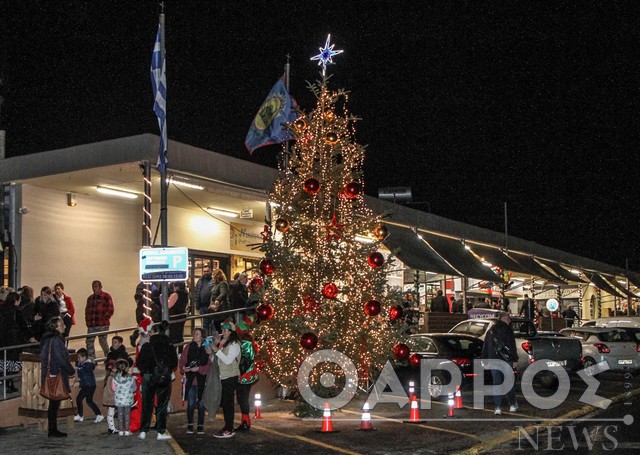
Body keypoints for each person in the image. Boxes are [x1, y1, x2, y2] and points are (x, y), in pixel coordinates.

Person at [136, 320, 178, 441]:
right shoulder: (169, 345)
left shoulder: (147, 346)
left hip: (148, 377)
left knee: (147, 404)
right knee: (162, 405)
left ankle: (143, 430)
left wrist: (147, 371)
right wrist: (166, 369)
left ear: (153, 332)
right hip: (164, 377)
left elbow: (140, 363)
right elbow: (174, 363)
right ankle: (160, 432)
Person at [40, 316, 75, 437]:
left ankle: (53, 429)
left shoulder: (47, 339)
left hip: (50, 373)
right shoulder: (56, 340)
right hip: (55, 374)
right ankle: (52, 430)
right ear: (55, 327)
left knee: (53, 404)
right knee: (54, 404)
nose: (64, 326)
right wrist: (71, 371)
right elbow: (60, 359)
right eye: (62, 325)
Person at [481, 312, 518, 415]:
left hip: (494, 360)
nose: (510, 321)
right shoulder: (508, 330)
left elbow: (486, 346)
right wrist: (515, 359)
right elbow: (512, 345)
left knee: (497, 384)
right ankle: (512, 405)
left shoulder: (491, 330)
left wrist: (484, 360)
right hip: (507, 360)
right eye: (509, 319)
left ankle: (497, 408)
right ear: (505, 318)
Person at [210, 320, 241, 438]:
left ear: (230, 332)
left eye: (224, 330)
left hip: (230, 376)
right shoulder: (227, 343)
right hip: (224, 376)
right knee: (226, 403)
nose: (222, 333)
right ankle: (228, 426)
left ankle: (229, 428)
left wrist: (217, 350)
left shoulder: (234, 344)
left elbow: (228, 360)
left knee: (228, 404)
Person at [178, 327, 211, 434]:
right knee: (191, 403)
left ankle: (200, 425)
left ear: (202, 336)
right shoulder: (188, 347)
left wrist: (199, 369)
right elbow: (182, 361)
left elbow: (209, 365)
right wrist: (183, 368)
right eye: (194, 334)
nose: (195, 336)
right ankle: (190, 424)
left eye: (197, 334)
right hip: (191, 380)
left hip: (202, 380)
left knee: (201, 403)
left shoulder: (206, 349)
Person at [235, 317, 259, 432]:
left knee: (243, 398)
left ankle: (245, 422)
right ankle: (245, 421)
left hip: (245, 376)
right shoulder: (247, 342)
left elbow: (247, 360)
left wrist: (239, 371)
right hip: (245, 375)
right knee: (242, 398)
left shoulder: (246, 343)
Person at [73, 347, 104, 423]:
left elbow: (84, 375)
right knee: (79, 399)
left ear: (84, 357)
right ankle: (80, 415)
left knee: (89, 401)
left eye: (79, 357)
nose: (78, 359)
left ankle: (99, 414)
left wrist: (78, 378)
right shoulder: (81, 364)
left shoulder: (88, 365)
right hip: (85, 385)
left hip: (90, 386)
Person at [85, 280, 114, 360]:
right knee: (89, 342)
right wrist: (87, 321)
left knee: (103, 342)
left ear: (100, 287)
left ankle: (109, 358)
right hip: (92, 324)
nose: (94, 288)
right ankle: (92, 359)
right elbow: (87, 310)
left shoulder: (106, 296)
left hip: (102, 323)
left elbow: (110, 309)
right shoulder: (90, 298)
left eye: (96, 286)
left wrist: (105, 318)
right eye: (93, 286)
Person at [0, 291, 21, 393]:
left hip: (2, 339)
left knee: (3, 361)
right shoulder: (17, 311)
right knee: (11, 362)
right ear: (16, 300)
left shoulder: (1, 308)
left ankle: (5, 382)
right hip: (12, 339)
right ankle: (10, 383)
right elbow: (22, 326)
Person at [112, 358, 137, 436]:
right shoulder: (130, 378)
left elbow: (113, 388)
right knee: (127, 415)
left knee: (119, 415)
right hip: (128, 399)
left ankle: (120, 430)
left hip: (119, 400)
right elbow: (134, 388)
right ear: (127, 368)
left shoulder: (115, 378)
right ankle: (126, 430)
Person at [168, 281, 189, 353]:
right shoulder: (186, 294)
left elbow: (168, 306)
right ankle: (180, 351)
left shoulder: (174, 295)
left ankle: (173, 352)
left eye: (174, 286)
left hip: (174, 317)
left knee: (173, 335)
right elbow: (186, 306)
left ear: (177, 286)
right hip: (182, 316)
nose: (173, 288)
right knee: (180, 334)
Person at [194, 264, 214, 336]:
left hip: (210, 306)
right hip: (202, 306)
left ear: (210, 271)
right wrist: (197, 304)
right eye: (204, 271)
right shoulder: (200, 281)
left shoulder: (213, 281)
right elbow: (197, 292)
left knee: (211, 324)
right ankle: (205, 338)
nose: (206, 273)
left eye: (207, 271)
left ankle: (210, 338)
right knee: (204, 324)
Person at [209, 269, 230, 334]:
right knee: (217, 327)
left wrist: (217, 299)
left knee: (220, 328)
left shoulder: (222, 283)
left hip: (221, 310)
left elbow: (223, 292)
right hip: (217, 311)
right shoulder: (216, 284)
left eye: (213, 275)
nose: (212, 277)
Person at [102, 359, 118, 434]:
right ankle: (111, 428)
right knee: (111, 413)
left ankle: (111, 427)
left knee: (110, 412)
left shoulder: (109, 377)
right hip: (111, 398)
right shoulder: (111, 378)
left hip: (110, 398)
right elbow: (111, 390)